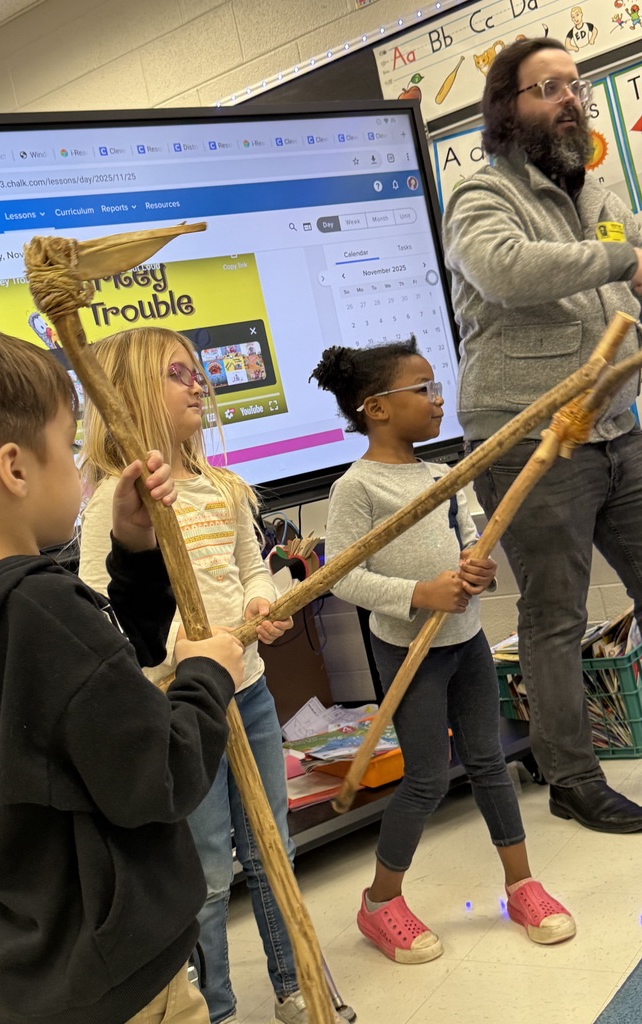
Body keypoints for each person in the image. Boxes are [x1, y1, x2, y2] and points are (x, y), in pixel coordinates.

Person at [0, 309, 246, 1024]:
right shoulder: (41, 610)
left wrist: (134, 554)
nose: (80, 470)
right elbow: (161, 777)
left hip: (47, 965)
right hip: (120, 979)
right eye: (69, 447)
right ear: (15, 468)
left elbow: (104, 691)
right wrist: (208, 676)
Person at [78, 326, 342, 1024]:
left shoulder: (225, 488)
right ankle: (212, 1008)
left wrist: (260, 603)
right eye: (178, 373)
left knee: (273, 846)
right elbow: (104, 606)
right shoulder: (112, 503)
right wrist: (187, 649)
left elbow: (251, 569)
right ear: (131, 393)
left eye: (198, 372)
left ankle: (297, 983)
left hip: (248, 691)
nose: (199, 383)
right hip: (178, 706)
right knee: (202, 868)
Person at [312, 339, 576, 964]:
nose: (437, 400)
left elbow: (466, 547)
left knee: (489, 761)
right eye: (423, 389)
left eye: (436, 387)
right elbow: (340, 576)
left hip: (466, 642)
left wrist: (475, 571)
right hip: (409, 650)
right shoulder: (356, 487)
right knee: (428, 777)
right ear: (377, 407)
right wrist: (418, 594)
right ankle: (380, 901)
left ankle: (521, 885)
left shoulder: (443, 475)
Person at [442, 36, 642, 833]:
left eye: (575, 83)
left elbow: (628, 264)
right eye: (547, 86)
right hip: (530, 435)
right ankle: (571, 778)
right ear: (508, 108)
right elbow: (506, 270)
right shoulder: (480, 196)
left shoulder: (597, 190)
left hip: (616, 423)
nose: (570, 98)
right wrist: (619, 256)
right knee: (556, 615)